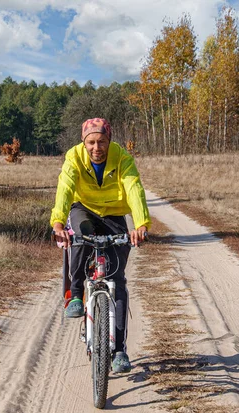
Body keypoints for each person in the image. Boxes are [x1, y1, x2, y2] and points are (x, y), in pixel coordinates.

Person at [51, 117, 151, 373]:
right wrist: (59, 222)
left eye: (102, 142)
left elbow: (133, 187)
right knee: (82, 236)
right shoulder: (74, 157)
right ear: (84, 143)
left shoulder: (122, 158)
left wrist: (140, 223)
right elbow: (65, 186)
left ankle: (119, 351)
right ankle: (75, 295)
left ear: (110, 141)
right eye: (91, 142)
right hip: (83, 209)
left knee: (117, 280)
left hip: (115, 213)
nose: (97, 147)